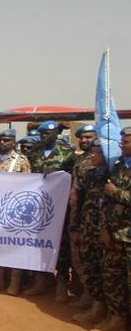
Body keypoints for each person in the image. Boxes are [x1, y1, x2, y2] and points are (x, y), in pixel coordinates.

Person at [88, 127, 131, 331]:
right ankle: (116, 321)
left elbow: (115, 194)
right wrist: (105, 228)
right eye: (122, 140)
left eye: (127, 141)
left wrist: (119, 193)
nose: (122, 144)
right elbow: (106, 201)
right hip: (115, 234)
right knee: (113, 278)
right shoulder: (119, 166)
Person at [26, 120, 75, 298]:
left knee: (61, 244)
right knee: (38, 243)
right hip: (38, 207)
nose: (45, 136)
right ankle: (40, 280)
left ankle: (61, 282)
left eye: (48, 133)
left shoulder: (68, 154)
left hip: (59, 207)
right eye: (42, 134)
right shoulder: (35, 152)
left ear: (56, 134)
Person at [0, 129, 32, 294]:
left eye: (7, 140)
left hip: (14, 210)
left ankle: (15, 282)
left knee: (13, 246)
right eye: (1, 140)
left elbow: (29, 184)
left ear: (14, 142)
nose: (3, 143)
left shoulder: (21, 160)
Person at [68, 124, 98, 309]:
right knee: (81, 259)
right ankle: (89, 296)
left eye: (89, 137)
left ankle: (97, 302)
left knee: (96, 263)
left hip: (98, 221)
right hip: (79, 217)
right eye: (82, 137)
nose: (84, 140)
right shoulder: (79, 161)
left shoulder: (106, 161)